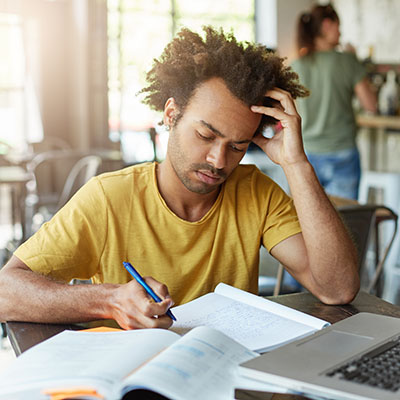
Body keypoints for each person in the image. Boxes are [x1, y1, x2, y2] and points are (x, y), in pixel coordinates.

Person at [0, 26, 359, 330]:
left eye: (237, 146)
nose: (218, 161)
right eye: (205, 136)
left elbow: (337, 289)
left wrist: (296, 164)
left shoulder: (256, 193)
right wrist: (108, 300)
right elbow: (6, 290)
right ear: (171, 114)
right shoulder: (109, 198)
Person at [291, 4, 377, 200]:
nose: (341, 32)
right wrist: (355, 60)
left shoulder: (296, 66)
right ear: (328, 25)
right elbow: (371, 105)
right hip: (342, 153)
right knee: (346, 222)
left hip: (306, 153)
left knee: (305, 221)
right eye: (339, 26)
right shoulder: (347, 61)